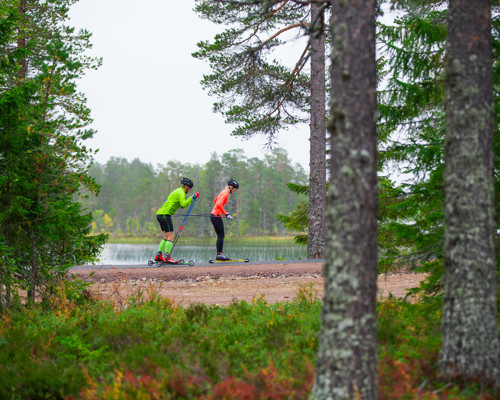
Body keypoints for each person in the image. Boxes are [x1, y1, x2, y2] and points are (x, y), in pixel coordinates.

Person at [155, 177, 199, 263]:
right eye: (190, 188)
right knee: (171, 235)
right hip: (165, 215)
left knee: (166, 236)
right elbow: (183, 205)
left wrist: (190, 197)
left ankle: (158, 256)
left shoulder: (178, 191)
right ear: (186, 186)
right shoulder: (181, 193)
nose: (190, 190)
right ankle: (167, 257)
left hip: (160, 214)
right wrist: (192, 197)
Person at [210, 179, 239, 261]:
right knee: (221, 235)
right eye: (235, 189)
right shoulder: (226, 193)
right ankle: (219, 254)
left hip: (216, 215)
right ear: (231, 187)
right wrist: (225, 213)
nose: (235, 190)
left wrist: (222, 212)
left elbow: (215, 201)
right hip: (215, 215)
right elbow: (218, 203)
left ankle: (219, 254)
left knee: (221, 235)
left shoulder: (223, 191)